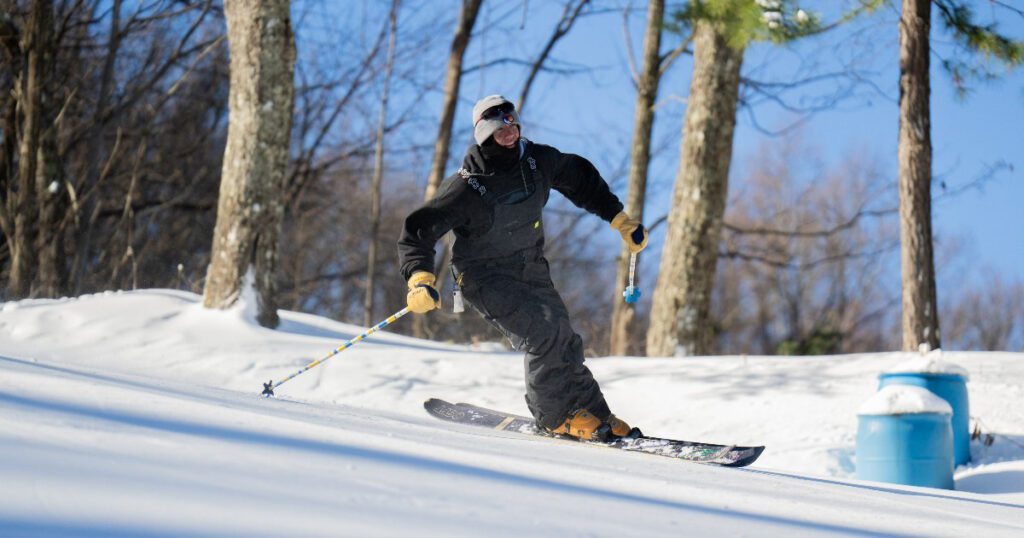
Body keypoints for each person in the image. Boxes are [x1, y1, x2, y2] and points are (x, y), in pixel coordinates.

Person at [397, 95, 648, 441]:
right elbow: (418, 230)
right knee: (542, 334)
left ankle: (592, 411)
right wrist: (419, 278)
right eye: (501, 131)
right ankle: (555, 415)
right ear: (485, 137)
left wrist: (618, 218)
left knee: (563, 337)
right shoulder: (466, 187)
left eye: (513, 125)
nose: (511, 134)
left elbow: (579, 177)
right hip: (484, 276)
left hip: (530, 267)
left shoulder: (536, 161)